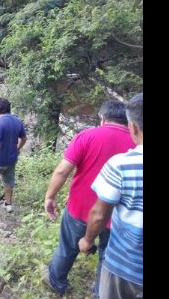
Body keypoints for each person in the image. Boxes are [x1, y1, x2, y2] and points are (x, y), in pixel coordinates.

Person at [41, 100, 136, 298]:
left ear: (102, 118)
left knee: (67, 248)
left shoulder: (87, 136)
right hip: (115, 216)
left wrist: (50, 197)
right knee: (107, 258)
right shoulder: (136, 142)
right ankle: (100, 293)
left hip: (80, 209)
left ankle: (56, 282)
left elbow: (62, 171)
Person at [79, 93, 143, 299]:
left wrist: (87, 241)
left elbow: (99, 214)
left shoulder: (121, 164)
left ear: (133, 127)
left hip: (126, 265)